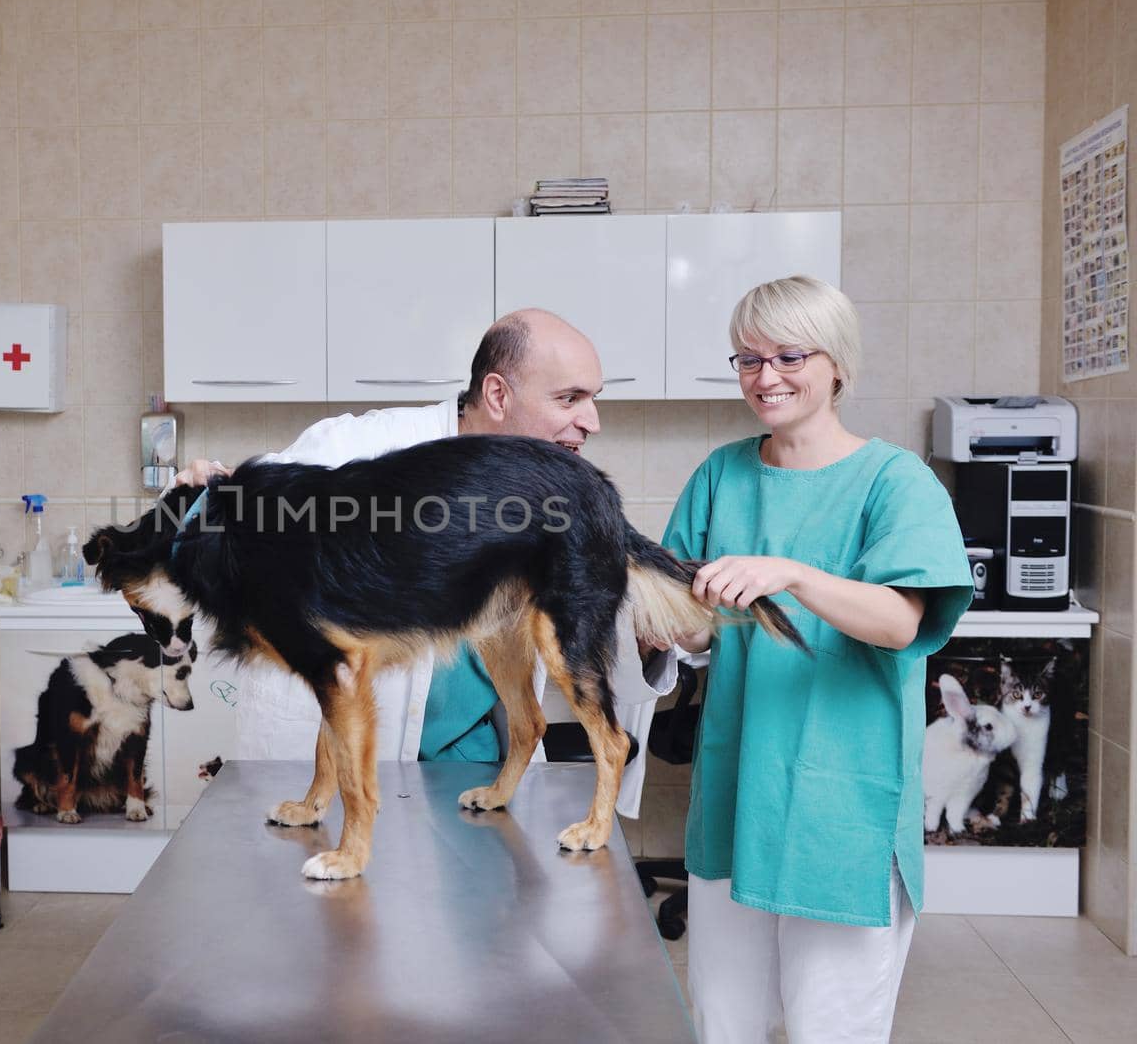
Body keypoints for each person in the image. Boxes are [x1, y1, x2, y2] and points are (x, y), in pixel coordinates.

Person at [174, 308, 677, 819]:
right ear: (498, 395)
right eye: (570, 398)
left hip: (474, 770)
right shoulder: (353, 448)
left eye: (594, 399)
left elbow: (593, 654)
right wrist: (199, 504)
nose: (592, 421)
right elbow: (230, 523)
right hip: (321, 767)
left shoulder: (554, 499)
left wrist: (646, 638)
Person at [655, 277, 971, 1042]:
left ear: (837, 365)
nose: (766, 377)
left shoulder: (895, 482)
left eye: (789, 355)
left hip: (843, 810)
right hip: (737, 797)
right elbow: (684, 624)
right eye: (749, 358)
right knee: (723, 1024)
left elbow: (901, 622)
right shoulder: (720, 475)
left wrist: (791, 573)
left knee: (832, 1029)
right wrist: (680, 626)